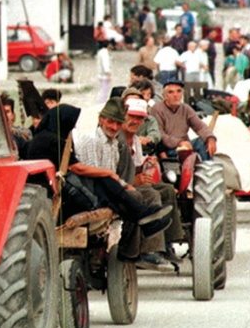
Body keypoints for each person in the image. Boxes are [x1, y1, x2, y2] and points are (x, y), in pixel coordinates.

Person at [25, 102, 172, 255]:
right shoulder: (51, 140)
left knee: (105, 185)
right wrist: (108, 173)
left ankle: (144, 217)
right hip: (57, 198)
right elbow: (77, 167)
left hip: (55, 193)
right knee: (104, 181)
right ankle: (142, 218)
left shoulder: (44, 138)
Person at [117, 98, 184, 266]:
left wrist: (147, 166)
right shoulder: (118, 140)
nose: (135, 122)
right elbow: (113, 174)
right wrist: (136, 180)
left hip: (131, 182)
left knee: (167, 190)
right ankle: (149, 250)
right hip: (119, 187)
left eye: (139, 119)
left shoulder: (136, 142)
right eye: (131, 117)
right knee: (151, 194)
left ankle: (168, 242)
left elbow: (138, 169)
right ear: (123, 116)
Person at [150, 80, 217, 161]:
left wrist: (210, 138)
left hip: (186, 145)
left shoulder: (186, 108)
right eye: (171, 92)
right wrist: (179, 142)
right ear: (164, 96)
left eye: (179, 91)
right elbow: (160, 134)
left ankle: (206, 168)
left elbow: (200, 126)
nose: (175, 95)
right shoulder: (157, 109)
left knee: (202, 141)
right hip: (168, 149)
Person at [1, 92, 31, 159]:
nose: (4, 115)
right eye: (2, 112)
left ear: (13, 115)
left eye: (7, 112)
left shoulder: (23, 133)